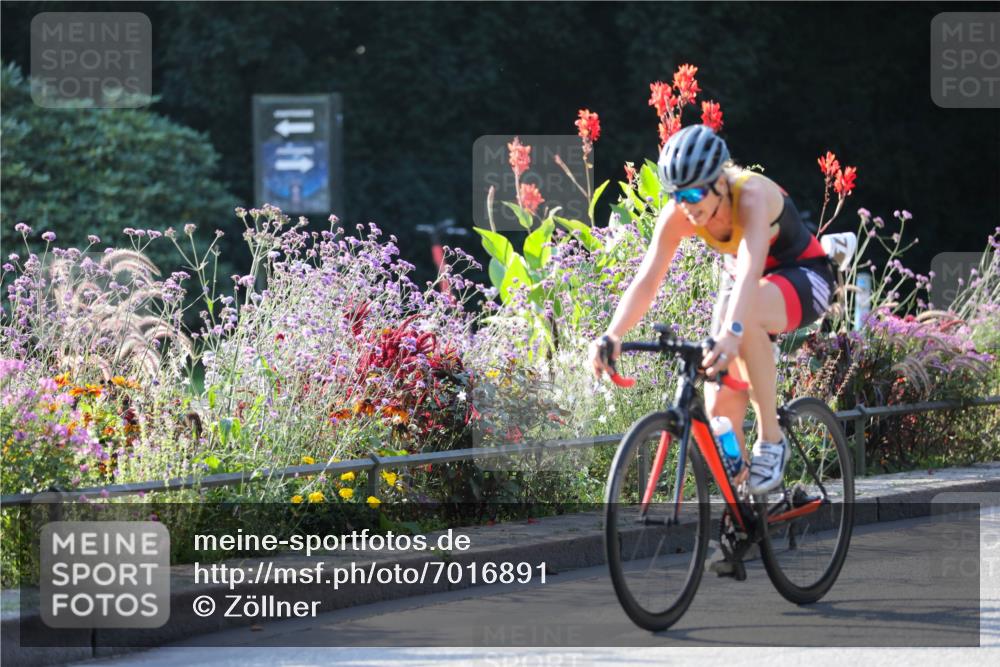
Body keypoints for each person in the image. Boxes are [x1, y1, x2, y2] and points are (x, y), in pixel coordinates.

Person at [589, 124, 835, 494]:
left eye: (692, 192)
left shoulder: (748, 195)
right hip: (745, 289)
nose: (686, 206)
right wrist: (612, 334)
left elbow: (752, 266)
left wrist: (732, 332)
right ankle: (744, 520)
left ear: (720, 181)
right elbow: (647, 280)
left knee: (742, 319)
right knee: (719, 415)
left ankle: (772, 439)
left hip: (801, 276)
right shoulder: (680, 213)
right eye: (677, 195)